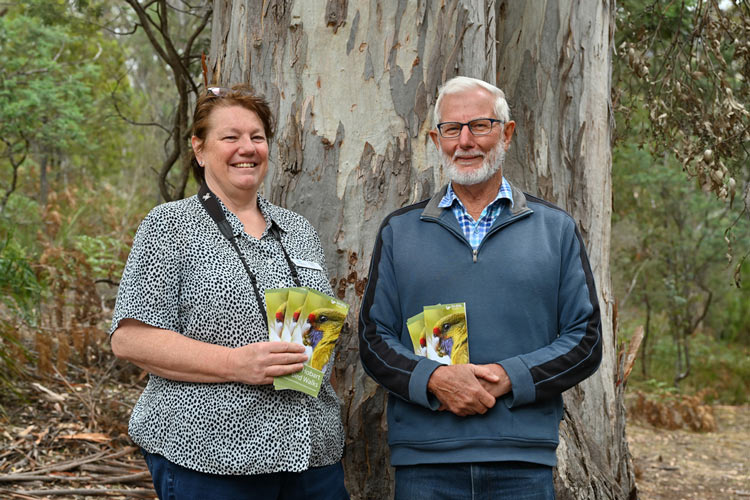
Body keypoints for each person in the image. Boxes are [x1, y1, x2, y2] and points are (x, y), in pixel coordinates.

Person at [358, 76, 602, 500]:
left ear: (506, 133)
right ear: (437, 139)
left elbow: (586, 340)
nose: (465, 141)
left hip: (522, 460)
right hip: (424, 462)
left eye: (480, 126)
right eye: (452, 129)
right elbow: (373, 339)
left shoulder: (555, 229)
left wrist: (511, 376)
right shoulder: (399, 231)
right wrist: (435, 379)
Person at [110, 84, 349, 500]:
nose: (247, 148)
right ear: (200, 150)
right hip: (211, 459)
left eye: (257, 137)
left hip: (312, 457)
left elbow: (317, 331)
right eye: (231, 137)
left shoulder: (299, 231)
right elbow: (130, 338)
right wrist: (235, 363)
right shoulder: (171, 225)